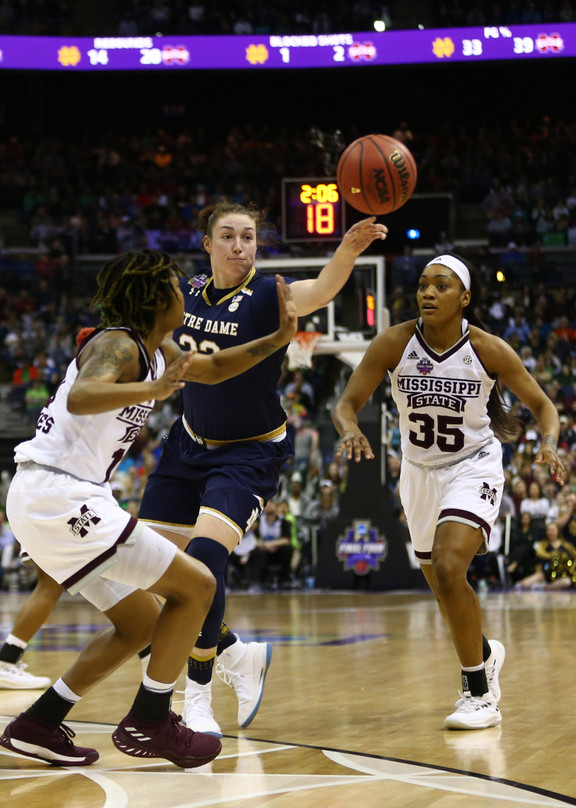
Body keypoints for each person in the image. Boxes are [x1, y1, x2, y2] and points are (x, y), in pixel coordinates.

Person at [0, 248, 298, 768]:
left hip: (53, 499)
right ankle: (152, 720)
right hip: (63, 495)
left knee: (138, 625)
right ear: (159, 298)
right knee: (198, 585)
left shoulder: (157, 346)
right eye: (178, 288)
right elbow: (82, 396)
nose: (187, 294)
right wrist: (152, 389)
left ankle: (39, 722)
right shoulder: (117, 343)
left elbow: (215, 367)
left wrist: (275, 341)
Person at [137, 201, 387, 736]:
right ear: (207, 244)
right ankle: (235, 653)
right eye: (227, 236)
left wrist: (346, 249)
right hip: (187, 444)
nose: (238, 246)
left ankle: (198, 696)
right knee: (152, 567)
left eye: (247, 237)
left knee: (203, 560)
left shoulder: (270, 293)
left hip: (249, 451)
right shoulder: (187, 295)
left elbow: (319, 290)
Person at [333, 253, 565, 730]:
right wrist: (349, 429)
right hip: (418, 473)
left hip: (473, 466)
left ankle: (479, 693)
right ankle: (484, 653)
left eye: (440, 286)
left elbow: (543, 406)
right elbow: (346, 404)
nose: (428, 293)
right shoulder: (394, 343)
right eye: (422, 285)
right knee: (443, 587)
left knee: (449, 565)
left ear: (464, 298)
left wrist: (548, 443)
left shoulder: (488, 349)